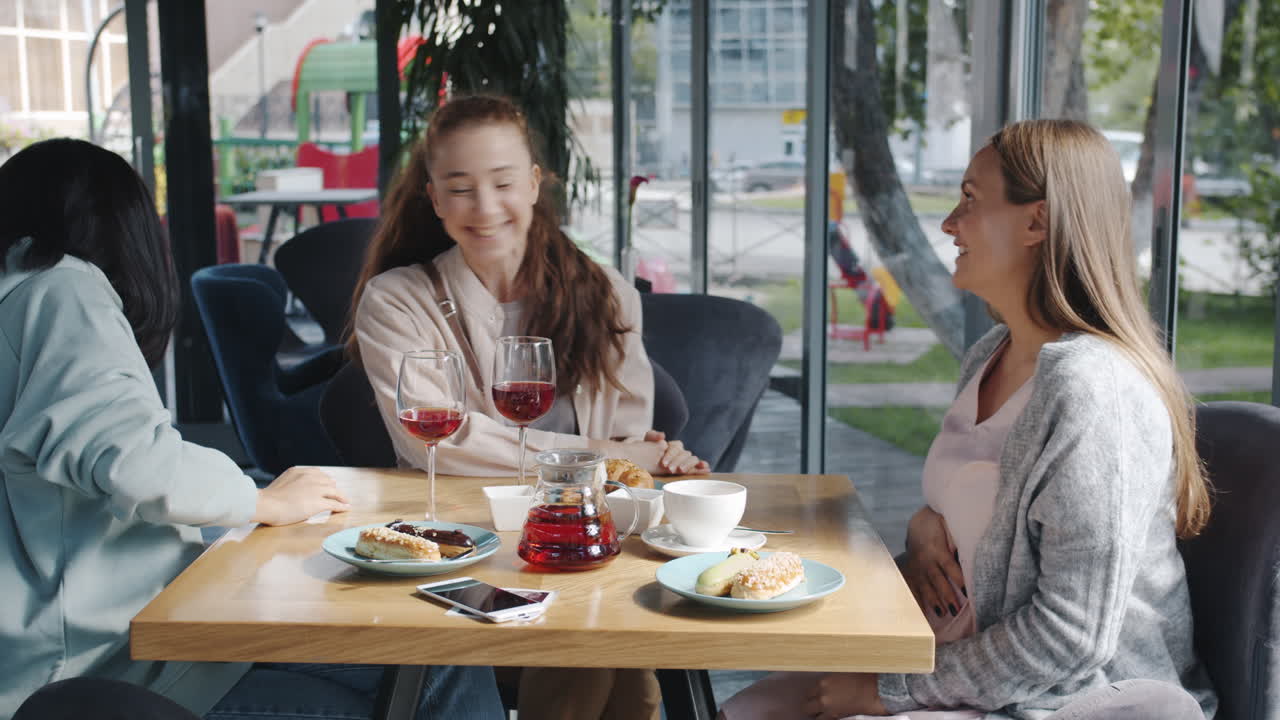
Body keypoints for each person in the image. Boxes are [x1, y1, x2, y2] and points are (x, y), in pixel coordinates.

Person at [719, 119, 1218, 719]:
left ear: (1037, 222)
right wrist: (927, 526)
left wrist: (890, 691)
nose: (949, 222)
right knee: (741, 711)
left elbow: (1074, 637)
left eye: (970, 200)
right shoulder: (992, 353)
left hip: (1076, 699)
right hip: (966, 659)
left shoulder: (1095, 392)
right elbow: (990, 511)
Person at [0, 139, 504, 720]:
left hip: (97, 656)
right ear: (123, 227)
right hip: (119, 674)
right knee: (436, 655)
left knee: (432, 655)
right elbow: (134, 462)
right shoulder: (61, 287)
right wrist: (257, 498)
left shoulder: (17, 297)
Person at [349, 94, 708, 720]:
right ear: (433, 198)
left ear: (536, 184)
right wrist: (598, 456)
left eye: (503, 183)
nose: (484, 208)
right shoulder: (398, 300)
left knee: (597, 636)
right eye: (459, 188)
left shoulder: (606, 295)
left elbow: (630, 460)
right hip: (465, 554)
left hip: (587, 550)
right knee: (603, 651)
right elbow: (437, 443)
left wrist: (646, 458)